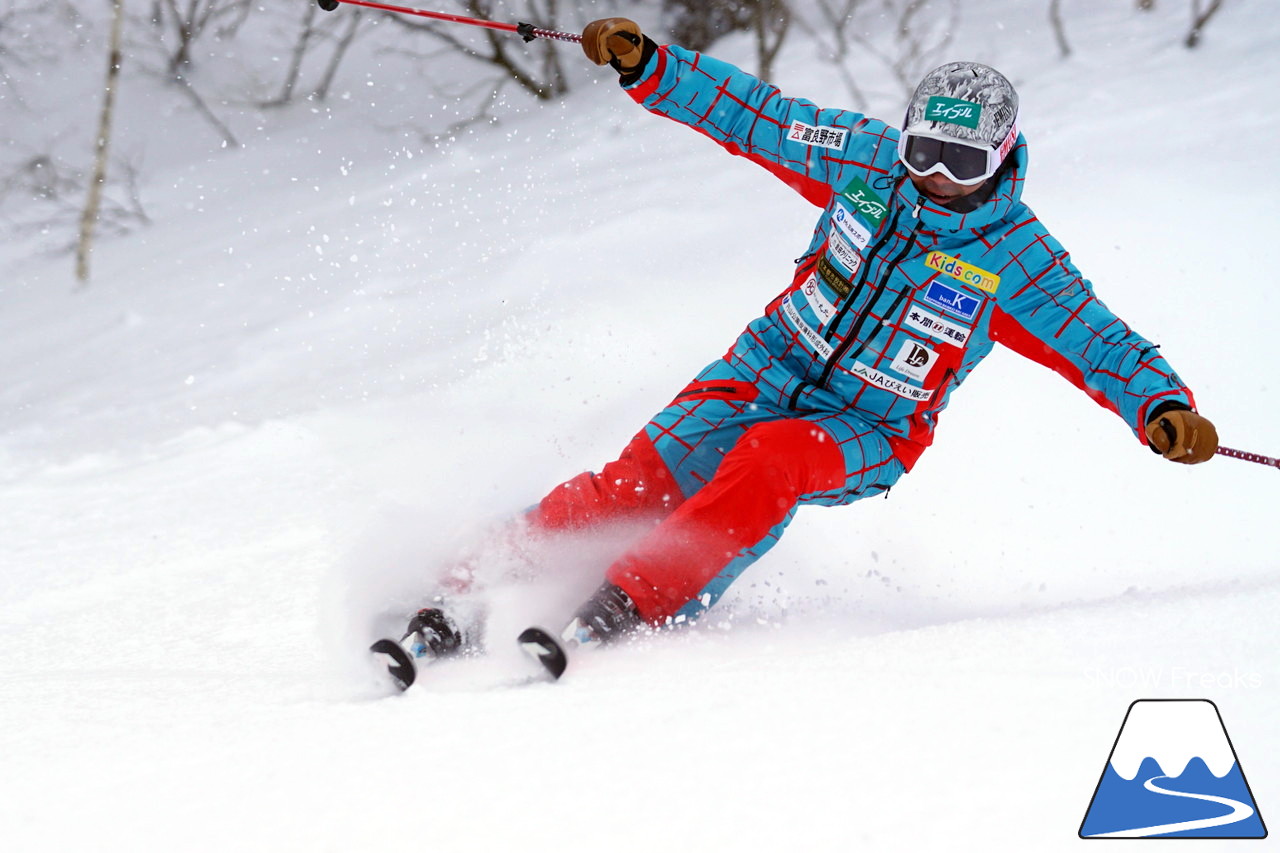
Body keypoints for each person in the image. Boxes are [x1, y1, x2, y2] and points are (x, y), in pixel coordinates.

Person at [396, 17, 1218, 664]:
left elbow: (1099, 342)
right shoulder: (866, 164)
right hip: (767, 365)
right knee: (634, 483)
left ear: (1000, 161)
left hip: (869, 426)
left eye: (960, 163)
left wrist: (1162, 406)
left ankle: (634, 597)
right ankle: (468, 580)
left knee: (770, 463)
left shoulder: (1015, 258)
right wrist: (651, 64)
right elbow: (762, 117)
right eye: (923, 149)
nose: (934, 174)